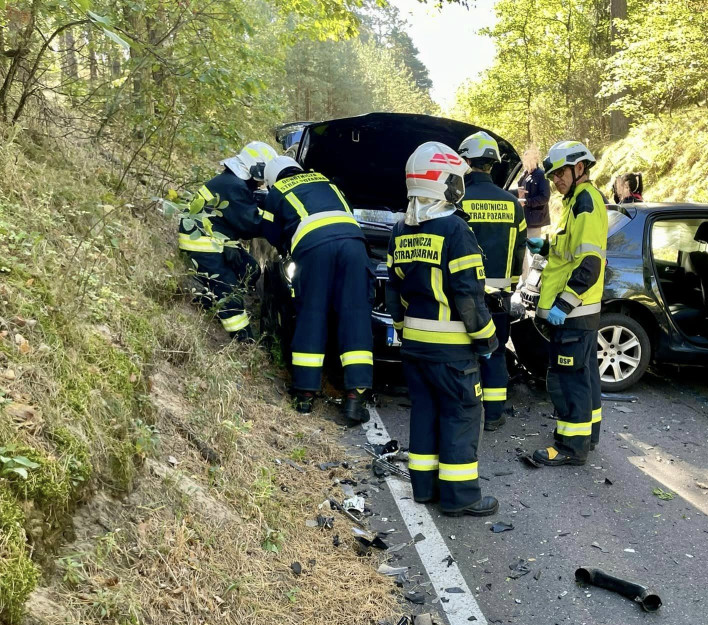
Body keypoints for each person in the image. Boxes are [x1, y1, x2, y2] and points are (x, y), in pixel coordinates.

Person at [385, 141, 500, 517]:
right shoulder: (455, 230)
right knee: (461, 415)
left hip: (415, 349)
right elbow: (468, 294)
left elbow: (393, 289)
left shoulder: (400, 230)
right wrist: (487, 340)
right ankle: (461, 497)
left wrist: (403, 329)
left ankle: (424, 489)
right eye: (455, 179)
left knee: (424, 413)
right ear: (441, 183)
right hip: (453, 352)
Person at [260, 155, 373, 423]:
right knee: (355, 315)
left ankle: (305, 396)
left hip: (314, 248)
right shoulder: (327, 182)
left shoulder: (277, 191)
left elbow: (269, 233)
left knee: (312, 314)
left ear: (272, 178)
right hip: (354, 244)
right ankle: (355, 399)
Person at [528, 140, 606, 467]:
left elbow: (589, 263)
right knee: (585, 375)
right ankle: (589, 435)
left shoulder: (586, 202)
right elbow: (568, 251)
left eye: (560, 173)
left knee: (568, 379)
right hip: (580, 313)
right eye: (552, 176)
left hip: (573, 313)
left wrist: (563, 304)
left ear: (579, 168)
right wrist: (545, 248)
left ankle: (571, 447)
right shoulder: (577, 201)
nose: (555, 180)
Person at [457, 131, 527, 431]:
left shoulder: (458, 200)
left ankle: (465, 412)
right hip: (499, 296)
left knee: (463, 353)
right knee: (495, 353)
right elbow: (519, 250)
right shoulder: (513, 204)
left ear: (466, 161)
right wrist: (509, 288)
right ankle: (495, 414)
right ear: (493, 164)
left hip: (465, 295)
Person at [178, 141, 278, 341]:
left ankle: (214, 299)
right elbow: (251, 224)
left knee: (250, 269)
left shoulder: (231, 182)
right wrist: (277, 219)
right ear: (255, 169)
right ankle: (242, 339)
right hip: (203, 244)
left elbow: (239, 213)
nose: (261, 183)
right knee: (229, 289)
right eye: (262, 178)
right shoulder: (234, 187)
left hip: (216, 239)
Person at [517, 147, 550, 239]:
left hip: (535, 220)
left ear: (535, 159)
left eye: (529, 159)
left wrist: (526, 201)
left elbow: (545, 197)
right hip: (523, 219)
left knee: (532, 249)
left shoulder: (541, 175)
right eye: (525, 159)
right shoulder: (524, 175)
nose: (526, 161)